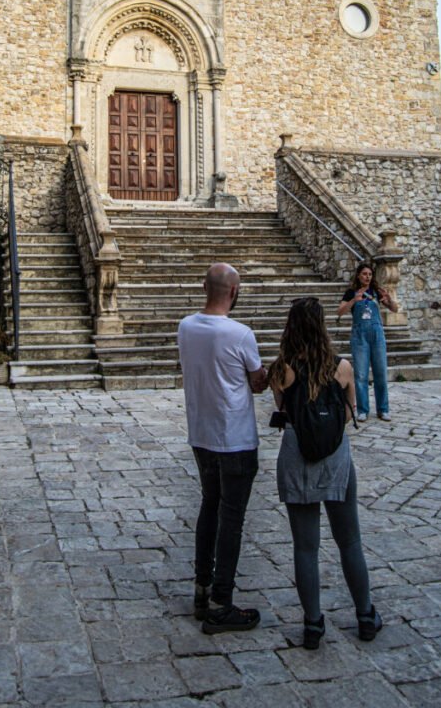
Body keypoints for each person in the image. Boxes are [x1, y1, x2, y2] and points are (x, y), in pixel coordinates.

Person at [268, 296, 382, 649]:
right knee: (349, 540)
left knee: (305, 547)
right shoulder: (342, 367)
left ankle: (313, 625)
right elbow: (350, 412)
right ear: (321, 327)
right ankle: (365, 616)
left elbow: (282, 408)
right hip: (336, 457)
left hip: (296, 453)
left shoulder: (280, 369)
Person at [178, 262, 268, 634]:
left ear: (204, 287)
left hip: (201, 433)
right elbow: (258, 383)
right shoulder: (241, 333)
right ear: (234, 292)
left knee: (209, 506)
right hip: (235, 437)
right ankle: (221, 601)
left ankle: (202, 588)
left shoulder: (185, 327)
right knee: (232, 518)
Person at [338, 261, 398, 422]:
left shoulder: (377, 292)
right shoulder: (351, 292)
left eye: (370, 274)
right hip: (359, 336)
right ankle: (363, 410)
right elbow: (340, 311)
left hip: (377, 335)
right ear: (358, 275)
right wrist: (353, 301)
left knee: (380, 372)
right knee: (361, 374)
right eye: (364, 274)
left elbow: (394, 309)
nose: (367, 277)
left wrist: (389, 299)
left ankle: (383, 409)